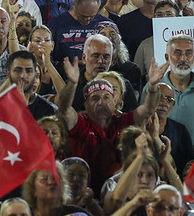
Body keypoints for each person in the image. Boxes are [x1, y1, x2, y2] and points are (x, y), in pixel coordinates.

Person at [57, 53, 168, 193]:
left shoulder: (123, 120)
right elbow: (64, 109)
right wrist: (72, 84)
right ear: (85, 105)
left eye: (106, 97)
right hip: (83, 192)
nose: (101, 102)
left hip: (119, 190)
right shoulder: (80, 122)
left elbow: (148, 109)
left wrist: (152, 86)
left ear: (115, 101)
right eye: (95, 98)